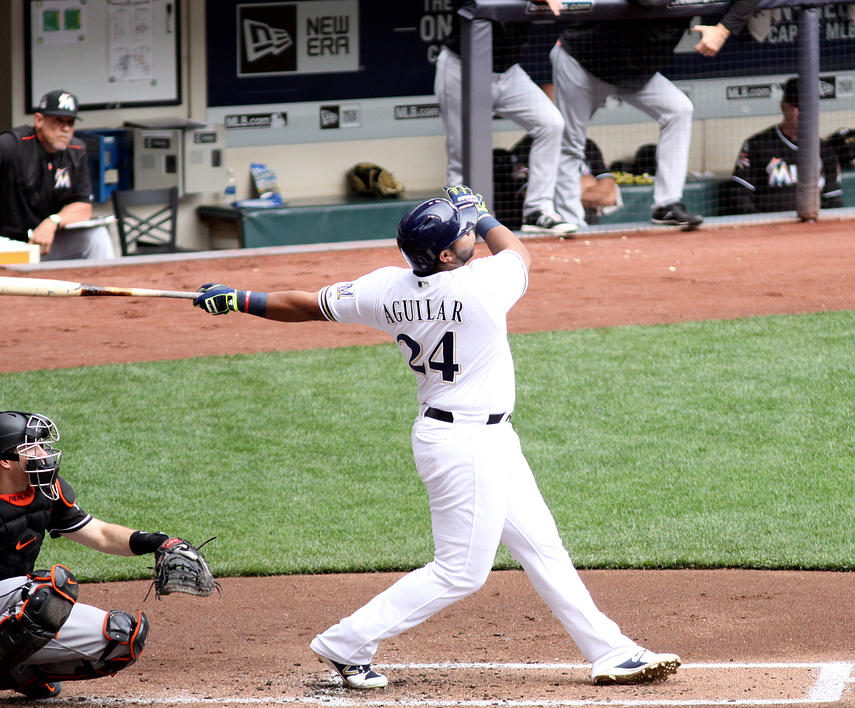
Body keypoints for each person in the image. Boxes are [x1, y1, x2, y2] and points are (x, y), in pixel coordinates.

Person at [192, 186, 681, 690]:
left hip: (474, 438)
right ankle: (346, 643)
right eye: (463, 233)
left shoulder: (384, 290)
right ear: (446, 255)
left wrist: (239, 299)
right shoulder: (482, 287)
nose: (472, 235)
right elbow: (519, 252)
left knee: (542, 547)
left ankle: (610, 650)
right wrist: (485, 213)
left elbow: (303, 304)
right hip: (465, 445)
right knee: (460, 571)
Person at [0, 411, 190, 699]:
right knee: (47, 595)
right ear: (5, 460)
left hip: (11, 605)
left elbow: (99, 533)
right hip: (17, 599)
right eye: (32, 447)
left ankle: (19, 672)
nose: (44, 454)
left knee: (121, 637)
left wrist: (157, 543)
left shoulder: (47, 491)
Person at [551, 0, 761, 229]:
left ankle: (667, 204)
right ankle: (571, 220)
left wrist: (723, 29)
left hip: (634, 70)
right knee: (571, 141)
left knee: (678, 110)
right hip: (584, 61)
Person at [435, 0, 576, 235]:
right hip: (463, 67)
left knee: (550, 124)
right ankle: (462, 224)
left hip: (509, 72)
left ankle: (537, 209)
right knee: (462, 154)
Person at [0, 90, 115, 261]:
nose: (66, 128)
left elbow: (83, 205)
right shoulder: (11, 145)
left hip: (45, 241)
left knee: (97, 237)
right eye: (58, 120)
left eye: (70, 122)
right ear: (39, 120)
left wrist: (52, 222)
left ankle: (101, 286)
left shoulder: (76, 151)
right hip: (7, 242)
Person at [727, 78, 844, 214]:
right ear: (784, 106)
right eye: (797, 106)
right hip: (770, 227)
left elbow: (834, 201)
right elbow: (739, 195)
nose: (804, 112)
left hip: (813, 229)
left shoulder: (825, 150)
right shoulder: (757, 145)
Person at [495, 133, 621, 228]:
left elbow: (609, 196)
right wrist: (585, 184)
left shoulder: (586, 144)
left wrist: (556, 190)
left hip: (587, 226)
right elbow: (530, 195)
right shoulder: (528, 146)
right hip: (546, 229)